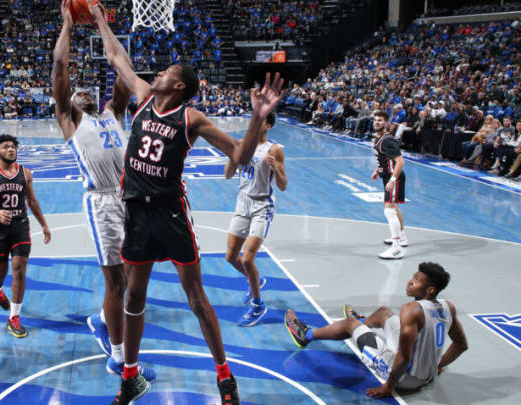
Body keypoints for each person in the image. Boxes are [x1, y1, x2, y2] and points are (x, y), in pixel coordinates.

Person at [90, 4, 284, 404]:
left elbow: (240, 155)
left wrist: (256, 118)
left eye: (166, 73)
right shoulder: (143, 97)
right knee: (133, 297)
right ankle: (130, 378)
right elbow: (115, 57)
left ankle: (224, 377)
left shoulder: (191, 118)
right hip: (137, 213)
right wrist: (97, 19)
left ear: (178, 86)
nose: (158, 74)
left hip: (170, 213)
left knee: (195, 296)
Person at [51, 0, 155, 382]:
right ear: (68, 105)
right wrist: (67, 24)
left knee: (128, 278)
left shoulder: (112, 112)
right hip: (102, 201)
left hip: (129, 198)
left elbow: (123, 69)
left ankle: (101, 319)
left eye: (86, 92)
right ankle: (116, 356)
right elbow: (60, 68)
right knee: (116, 281)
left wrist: (100, 21)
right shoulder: (69, 121)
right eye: (77, 94)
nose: (83, 94)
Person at [285, 262, 467, 398]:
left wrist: (389, 386)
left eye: (417, 280)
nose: (410, 281)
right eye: (413, 277)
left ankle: (305, 335)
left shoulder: (411, 310)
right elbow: (461, 345)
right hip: (427, 375)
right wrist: (437, 365)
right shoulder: (447, 306)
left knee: (349, 324)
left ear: (430, 290)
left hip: (405, 378)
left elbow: (404, 357)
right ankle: (362, 325)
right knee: (383, 313)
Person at [0, 135, 51, 338]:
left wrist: (44, 224)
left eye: (13, 146)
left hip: (20, 227)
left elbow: (32, 201)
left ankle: (14, 317)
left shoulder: (25, 173)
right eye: (6, 147)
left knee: (19, 270)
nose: (11, 149)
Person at [224, 113, 287, 327]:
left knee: (248, 259)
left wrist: (276, 168)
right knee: (231, 257)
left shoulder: (274, 149)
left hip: (263, 205)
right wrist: (233, 156)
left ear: (267, 126)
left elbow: (283, 184)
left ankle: (258, 305)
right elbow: (227, 174)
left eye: (259, 121)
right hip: (242, 202)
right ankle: (256, 281)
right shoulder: (241, 144)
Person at [371, 111, 407, 259]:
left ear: (386, 123)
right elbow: (384, 159)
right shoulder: (378, 139)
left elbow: (400, 162)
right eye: (375, 120)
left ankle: (396, 248)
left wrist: (392, 180)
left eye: (380, 120)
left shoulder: (387, 140)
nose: (376, 122)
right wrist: (377, 170)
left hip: (394, 178)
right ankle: (402, 237)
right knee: (395, 208)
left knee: (389, 211)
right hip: (387, 176)